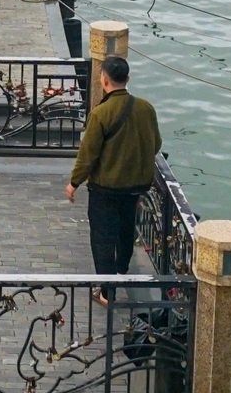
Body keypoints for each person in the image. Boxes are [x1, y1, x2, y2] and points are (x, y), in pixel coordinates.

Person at [64, 57, 160, 305]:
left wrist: (74, 182)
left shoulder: (100, 113)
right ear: (127, 79)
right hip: (135, 186)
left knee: (103, 237)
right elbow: (156, 143)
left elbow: (89, 154)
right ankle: (121, 273)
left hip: (105, 188)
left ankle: (107, 292)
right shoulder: (146, 108)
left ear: (104, 80)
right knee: (126, 229)